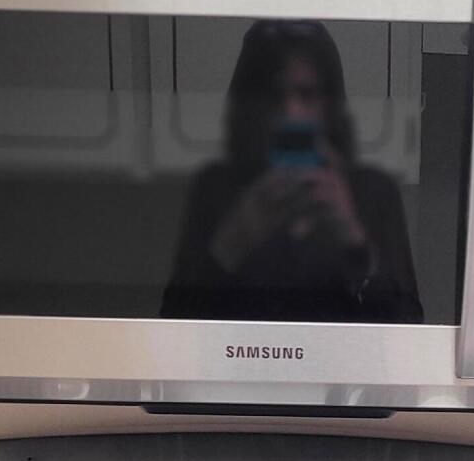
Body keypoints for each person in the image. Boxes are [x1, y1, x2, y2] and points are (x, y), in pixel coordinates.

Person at [161, 19, 423, 322]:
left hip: (339, 368)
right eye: (273, 96)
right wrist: (233, 239)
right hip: (232, 368)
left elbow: (407, 327)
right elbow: (174, 321)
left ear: (329, 105)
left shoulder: (373, 191)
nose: (290, 112)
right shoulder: (215, 187)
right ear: (250, 107)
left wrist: (354, 239)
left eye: (307, 95)